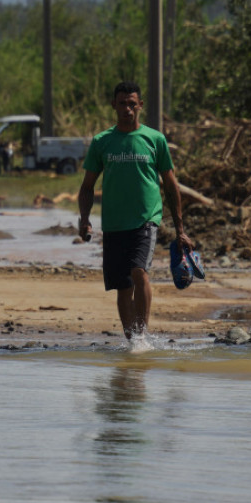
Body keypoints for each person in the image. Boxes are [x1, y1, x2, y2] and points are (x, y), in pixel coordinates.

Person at [77, 81, 194, 341]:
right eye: (122, 104)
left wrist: (180, 230)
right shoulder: (102, 142)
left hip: (146, 220)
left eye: (132, 104)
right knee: (122, 287)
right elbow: (87, 187)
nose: (127, 109)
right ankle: (132, 342)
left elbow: (171, 186)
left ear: (140, 106)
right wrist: (84, 219)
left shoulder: (155, 139)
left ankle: (142, 334)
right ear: (113, 106)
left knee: (139, 272)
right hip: (114, 223)